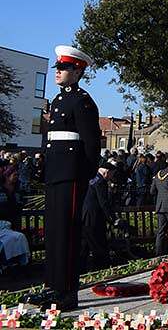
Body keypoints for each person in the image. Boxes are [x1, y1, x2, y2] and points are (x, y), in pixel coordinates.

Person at [41, 46, 101, 309]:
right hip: (55, 171)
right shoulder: (57, 101)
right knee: (54, 231)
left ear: (77, 71)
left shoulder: (82, 101)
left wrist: (85, 175)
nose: (58, 73)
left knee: (67, 231)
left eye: (63, 68)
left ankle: (66, 291)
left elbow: (91, 145)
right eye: (57, 68)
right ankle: (52, 285)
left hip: (71, 173)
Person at [81, 160, 115, 270]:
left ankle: (81, 267)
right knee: (98, 242)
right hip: (94, 216)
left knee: (86, 242)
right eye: (112, 174)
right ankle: (101, 267)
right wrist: (112, 218)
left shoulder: (93, 179)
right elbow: (103, 202)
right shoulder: (101, 182)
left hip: (87, 215)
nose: (111, 177)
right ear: (107, 172)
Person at [0, 165, 23, 230]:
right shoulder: (1, 189)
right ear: (7, 176)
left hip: (15, 220)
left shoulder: (18, 189)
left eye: (17, 175)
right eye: (15, 175)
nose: (17, 177)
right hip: (2, 222)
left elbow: (21, 201)